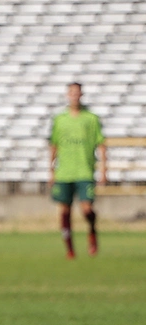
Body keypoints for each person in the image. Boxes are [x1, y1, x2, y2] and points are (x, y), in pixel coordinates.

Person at [49, 82, 107, 258]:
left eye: (77, 93)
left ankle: (92, 230)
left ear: (81, 95)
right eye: (71, 93)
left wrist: (104, 169)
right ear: (68, 95)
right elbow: (54, 146)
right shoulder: (60, 119)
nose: (74, 96)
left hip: (84, 170)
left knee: (86, 209)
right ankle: (70, 249)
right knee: (65, 210)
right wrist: (51, 171)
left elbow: (101, 144)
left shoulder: (91, 118)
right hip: (64, 172)